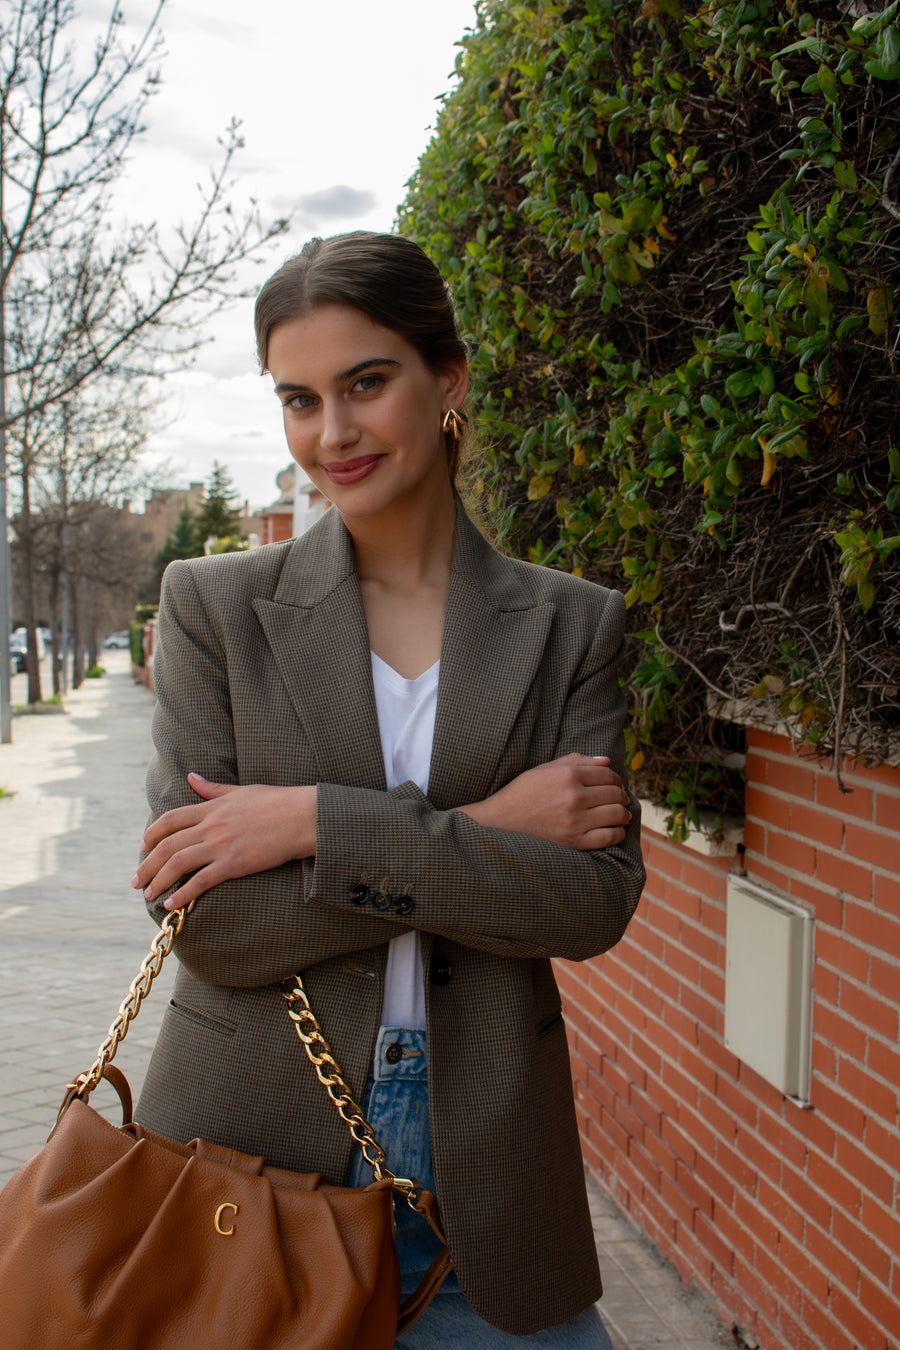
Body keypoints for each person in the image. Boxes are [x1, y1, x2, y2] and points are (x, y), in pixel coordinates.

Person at [132, 231, 645, 1347]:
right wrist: (486, 832)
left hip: (489, 1178)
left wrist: (308, 819)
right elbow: (210, 923)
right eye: (300, 399)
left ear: (448, 380)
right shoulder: (213, 609)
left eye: (368, 383)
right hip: (244, 1165)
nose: (334, 434)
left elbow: (586, 904)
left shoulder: (570, 624)